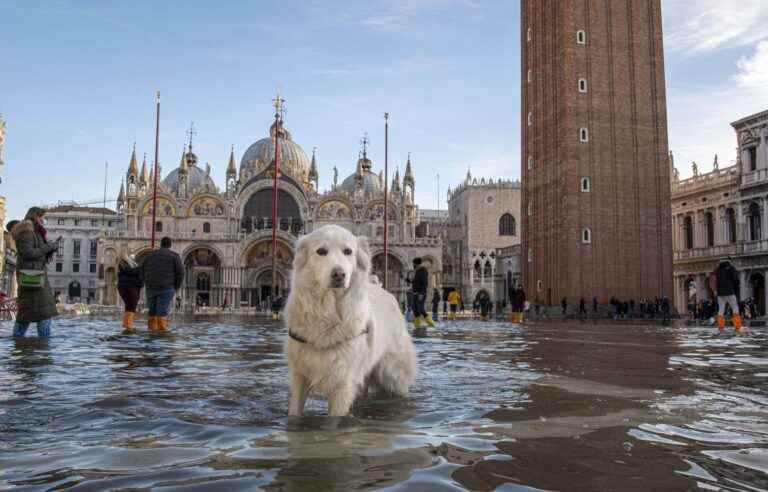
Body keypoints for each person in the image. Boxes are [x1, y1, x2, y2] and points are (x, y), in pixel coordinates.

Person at [10, 208, 61, 337]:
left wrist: (51, 247)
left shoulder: (35, 232)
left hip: (36, 276)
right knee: (37, 314)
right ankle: (40, 347)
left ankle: (27, 345)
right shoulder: (26, 232)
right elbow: (28, 253)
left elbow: (36, 251)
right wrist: (48, 247)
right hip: (31, 277)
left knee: (37, 314)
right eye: (42, 217)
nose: (43, 220)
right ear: (35, 216)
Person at [141, 236, 183, 331]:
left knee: (152, 311)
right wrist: (176, 286)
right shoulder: (174, 256)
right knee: (162, 311)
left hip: (151, 287)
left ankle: (151, 332)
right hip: (167, 287)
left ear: (161, 244)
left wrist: (145, 282)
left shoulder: (150, 255)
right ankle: (162, 334)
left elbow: (142, 269)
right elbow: (180, 272)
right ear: (170, 245)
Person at [711, 259, 742, 332]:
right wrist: (736, 287)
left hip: (720, 293)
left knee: (721, 309)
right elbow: (736, 279)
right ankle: (737, 326)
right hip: (730, 291)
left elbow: (713, 280)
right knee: (735, 307)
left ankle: (721, 327)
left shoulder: (717, 270)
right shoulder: (731, 268)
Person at [117, 247, 143, 330]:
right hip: (127, 287)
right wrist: (141, 268)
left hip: (134, 286)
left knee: (132, 305)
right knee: (131, 305)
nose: (132, 254)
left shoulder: (133, 263)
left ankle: (127, 324)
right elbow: (129, 271)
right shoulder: (122, 262)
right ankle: (127, 325)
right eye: (130, 253)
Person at [410, 257, 434, 328]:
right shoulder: (417, 271)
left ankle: (431, 324)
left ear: (416, 264)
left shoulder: (423, 271)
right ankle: (417, 325)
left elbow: (424, 283)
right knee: (414, 308)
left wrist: (422, 293)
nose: (413, 265)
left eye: (413, 264)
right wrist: (406, 279)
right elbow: (415, 282)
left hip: (420, 293)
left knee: (421, 309)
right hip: (415, 293)